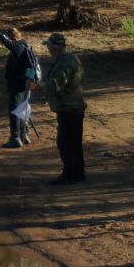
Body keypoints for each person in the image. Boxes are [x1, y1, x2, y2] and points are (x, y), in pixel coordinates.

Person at [0, 20, 39, 147]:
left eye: (11, 39)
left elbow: (5, 41)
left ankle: (15, 138)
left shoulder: (17, 46)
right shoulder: (26, 46)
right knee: (22, 109)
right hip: (25, 85)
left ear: (14, 38)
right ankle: (24, 135)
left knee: (15, 110)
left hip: (17, 85)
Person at [44, 32, 86, 182]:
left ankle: (70, 175)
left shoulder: (65, 63)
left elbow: (56, 84)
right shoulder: (68, 59)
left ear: (54, 48)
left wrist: (38, 87)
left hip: (70, 108)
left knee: (66, 143)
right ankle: (77, 173)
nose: (47, 49)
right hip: (71, 107)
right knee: (73, 143)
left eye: (48, 46)